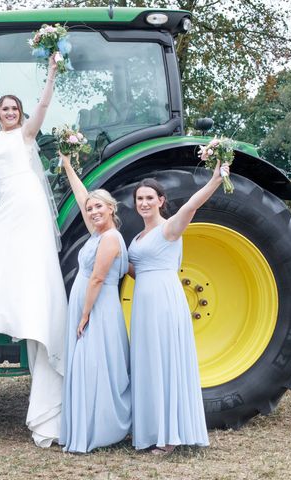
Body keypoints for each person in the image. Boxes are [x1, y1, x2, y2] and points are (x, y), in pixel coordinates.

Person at [0, 54, 68, 448]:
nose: (10, 113)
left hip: (28, 202)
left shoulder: (25, 133)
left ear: (20, 113)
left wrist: (52, 71)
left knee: (28, 262)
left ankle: (32, 314)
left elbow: (43, 107)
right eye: (4, 109)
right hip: (7, 202)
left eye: (14, 109)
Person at [128, 162, 229, 455]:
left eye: (150, 198)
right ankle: (151, 430)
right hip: (144, 303)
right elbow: (138, 270)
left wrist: (215, 179)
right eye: (140, 199)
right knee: (148, 364)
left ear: (161, 201)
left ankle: (170, 437)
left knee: (165, 362)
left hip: (164, 302)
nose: (144, 203)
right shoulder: (138, 237)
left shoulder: (169, 228)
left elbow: (192, 205)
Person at [58, 152, 131, 453]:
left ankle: (99, 428)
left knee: (95, 365)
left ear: (111, 208)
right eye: (90, 209)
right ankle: (85, 424)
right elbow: (81, 198)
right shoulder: (97, 233)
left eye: (98, 206)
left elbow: (98, 279)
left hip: (97, 309)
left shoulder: (110, 238)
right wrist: (68, 167)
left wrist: (84, 314)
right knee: (89, 365)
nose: (92, 211)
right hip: (89, 306)